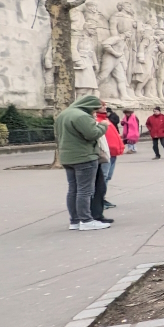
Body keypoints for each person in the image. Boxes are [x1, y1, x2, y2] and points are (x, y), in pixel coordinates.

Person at [54, 95, 110, 230]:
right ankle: (86, 220)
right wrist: (103, 126)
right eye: (95, 109)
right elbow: (92, 134)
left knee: (73, 190)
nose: (95, 112)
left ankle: (75, 220)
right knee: (85, 190)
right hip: (84, 156)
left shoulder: (64, 114)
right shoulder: (81, 116)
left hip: (68, 157)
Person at [94, 108, 124, 209]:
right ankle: (99, 199)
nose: (104, 107)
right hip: (106, 153)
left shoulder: (106, 119)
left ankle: (102, 198)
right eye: (102, 106)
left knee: (107, 177)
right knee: (103, 177)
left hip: (112, 152)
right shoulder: (98, 120)